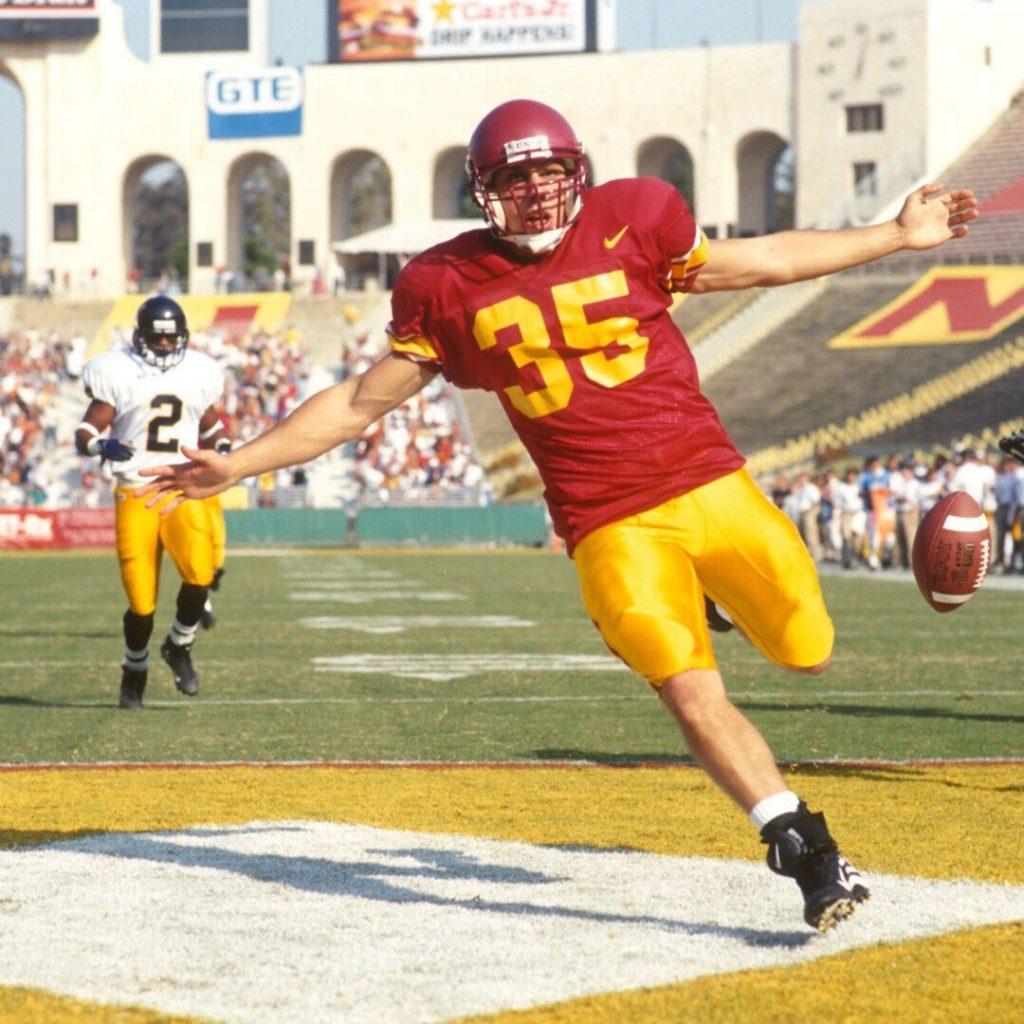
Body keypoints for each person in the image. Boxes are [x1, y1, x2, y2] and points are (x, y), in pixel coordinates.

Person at [138, 99, 978, 930]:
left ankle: (716, 600)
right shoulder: (445, 284)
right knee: (686, 685)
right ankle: (801, 846)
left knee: (809, 650)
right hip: (607, 521)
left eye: (549, 173)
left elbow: (762, 260)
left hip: (710, 481)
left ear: (577, 173)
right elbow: (361, 402)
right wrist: (240, 463)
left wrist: (896, 236)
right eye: (515, 177)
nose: (537, 193)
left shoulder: (637, 215)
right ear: (483, 190)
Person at [75, 295, 230, 709]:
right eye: (156, 339)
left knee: (200, 574)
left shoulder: (198, 371)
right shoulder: (118, 370)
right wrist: (100, 445)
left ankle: (179, 645)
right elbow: (85, 429)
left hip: (181, 487)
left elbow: (212, 425)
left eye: (170, 339)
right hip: (135, 491)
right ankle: (135, 667)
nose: (163, 346)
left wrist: (225, 446)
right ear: (141, 336)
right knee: (141, 602)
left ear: (181, 337)